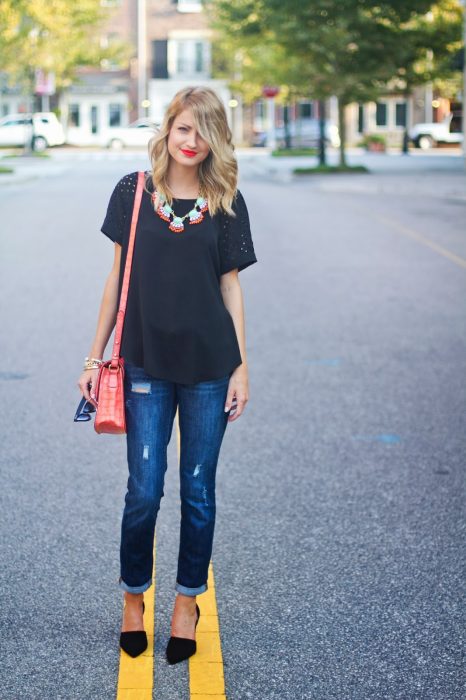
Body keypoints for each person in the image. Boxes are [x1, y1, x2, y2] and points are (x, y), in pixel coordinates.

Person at [77, 86, 257, 663]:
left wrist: (241, 367)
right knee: (145, 493)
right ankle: (134, 598)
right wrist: (93, 355)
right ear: (168, 128)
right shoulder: (133, 192)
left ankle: (185, 603)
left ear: (217, 139)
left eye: (204, 131)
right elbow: (115, 279)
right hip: (145, 364)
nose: (192, 141)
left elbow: (231, 286)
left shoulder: (226, 200)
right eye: (184, 128)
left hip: (209, 368)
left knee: (199, 494)